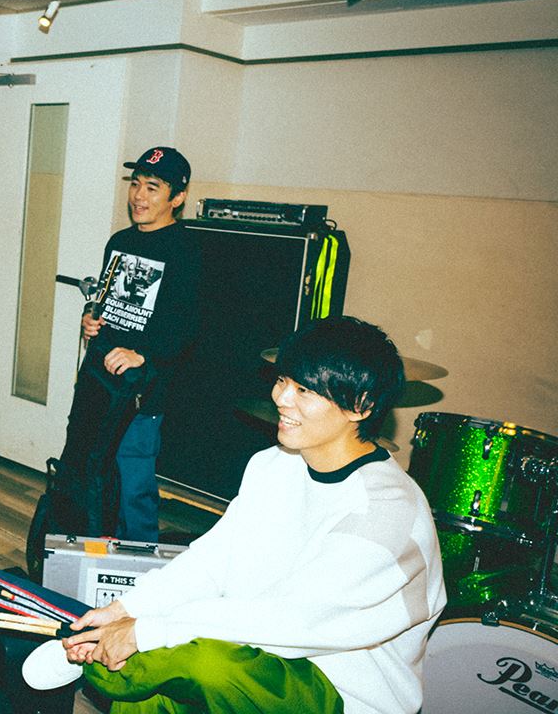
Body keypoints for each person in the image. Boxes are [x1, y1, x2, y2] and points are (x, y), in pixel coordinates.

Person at [33, 316, 446, 714]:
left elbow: (291, 620)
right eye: (283, 380)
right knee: (155, 684)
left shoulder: (385, 514)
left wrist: (144, 632)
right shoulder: (274, 464)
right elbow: (213, 559)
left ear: (361, 406)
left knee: (199, 662)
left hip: (339, 690)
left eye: (304, 390)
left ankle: (91, 661)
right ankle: (103, 653)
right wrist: (127, 608)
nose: (281, 398)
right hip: (256, 645)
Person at [58, 146, 201, 543]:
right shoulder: (119, 241)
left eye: (152, 188)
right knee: (87, 470)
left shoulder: (187, 251)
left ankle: (140, 565)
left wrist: (144, 354)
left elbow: (189, 327)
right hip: (99, 380)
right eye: (135, 184)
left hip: (142, 389)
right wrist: (91, 317)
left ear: (177, 197)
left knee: (132, 481)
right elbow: (108, 301)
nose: (139, 196)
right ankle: (88, 550)